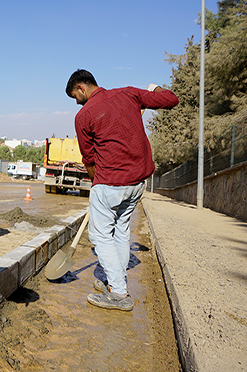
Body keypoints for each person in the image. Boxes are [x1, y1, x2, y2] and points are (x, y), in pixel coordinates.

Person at [66, 69, 178, 311]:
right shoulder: (129, 94)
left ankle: (118, 293)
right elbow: (171, 99)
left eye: (75, 96)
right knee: (121, 231)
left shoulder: (84, 115)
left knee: (100, 236)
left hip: (111, 182)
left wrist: (97, 184)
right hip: (138, 182)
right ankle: (114, 280)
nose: (76, 102)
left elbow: (89, 158)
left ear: (82, 88)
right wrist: (155, 88)